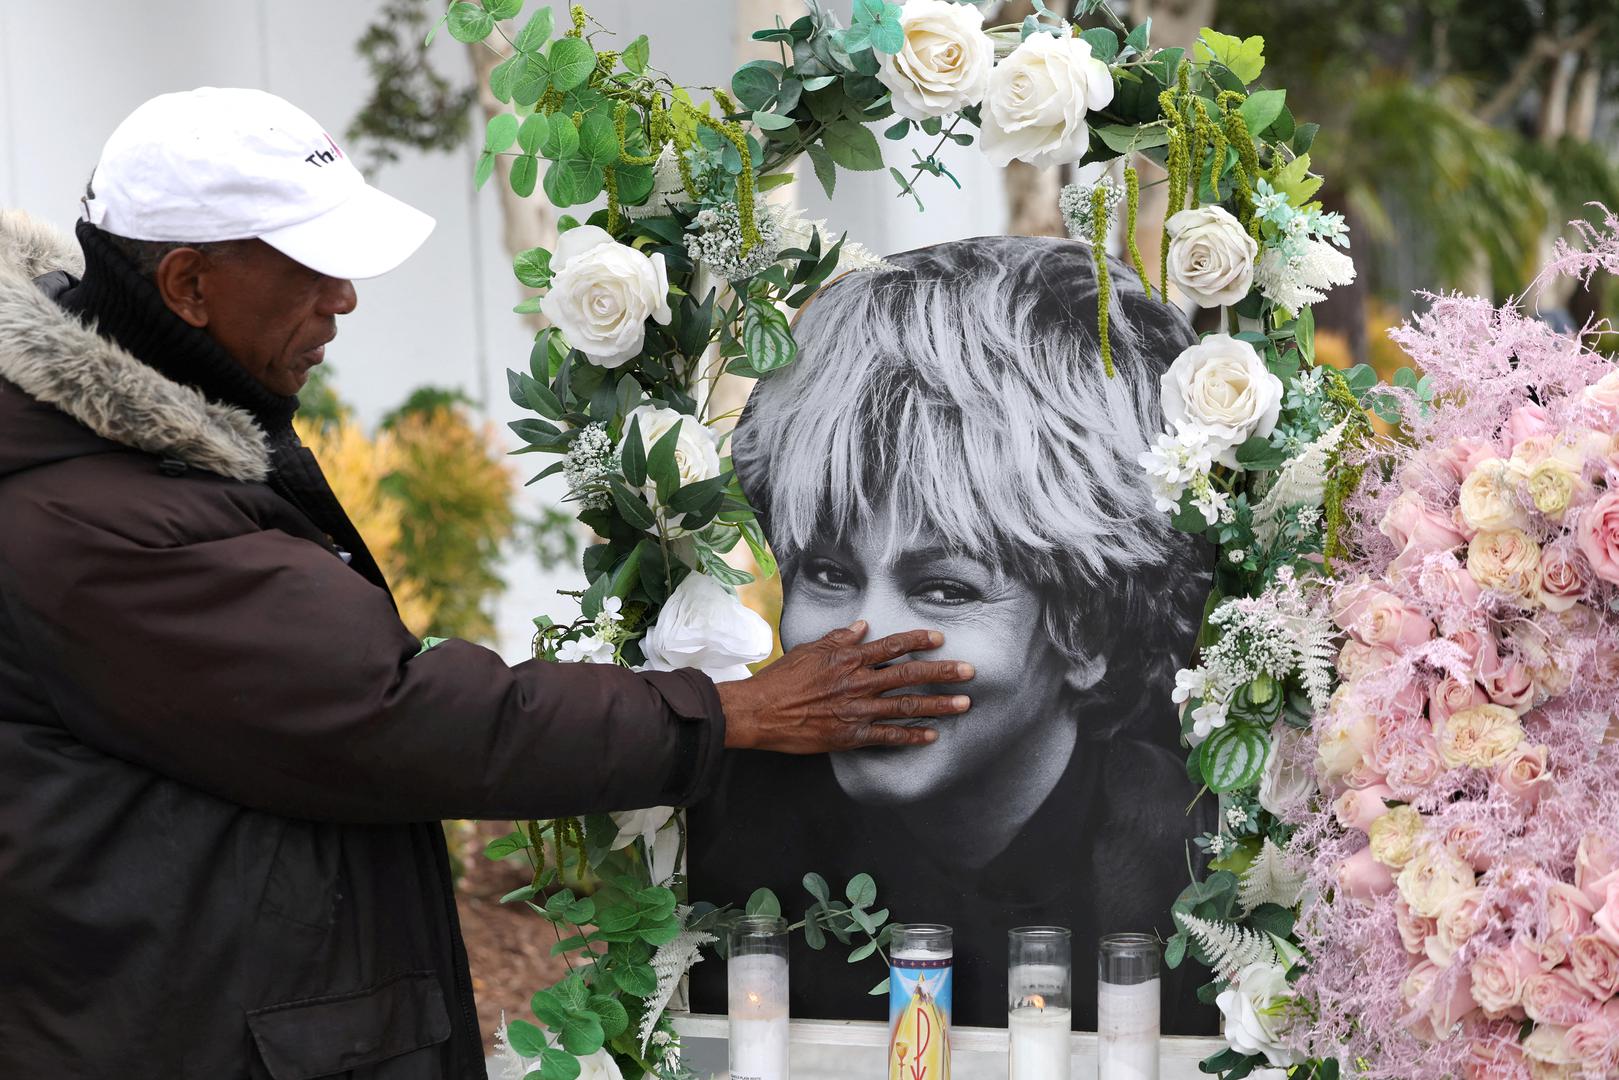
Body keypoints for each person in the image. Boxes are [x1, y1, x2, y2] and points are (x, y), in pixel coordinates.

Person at [0, 88, 973, 1078]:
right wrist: (723, 714)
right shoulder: (94, 513)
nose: (342, 299)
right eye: (311, 269)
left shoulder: (141, 450)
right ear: (189, 284)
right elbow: (391, 715)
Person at [689, 236, 1217, 1032]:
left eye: (943, 588)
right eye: (828, 573)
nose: (862, 646)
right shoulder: (729, 842)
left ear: (1088, 629)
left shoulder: (1199, 876)